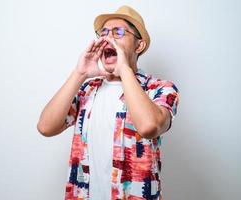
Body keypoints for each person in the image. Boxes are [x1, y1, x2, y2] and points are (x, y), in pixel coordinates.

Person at [37, 5, 179, 200]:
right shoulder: (88, 89)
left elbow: (148, 126)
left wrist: (124, 69)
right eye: (103, 33)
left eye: (118, 32)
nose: (107, 38)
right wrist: (80, 74)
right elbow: (45, 127)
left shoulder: (159, 88)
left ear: (139, 46)